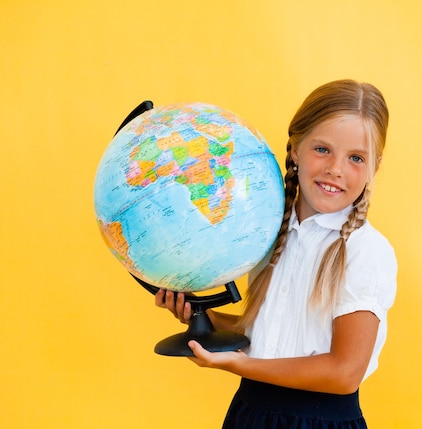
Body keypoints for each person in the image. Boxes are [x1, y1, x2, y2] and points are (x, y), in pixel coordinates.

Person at [155, 79, 397, 428]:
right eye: (322, 149)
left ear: (375, 166)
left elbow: (344, 372)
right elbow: (267, 335)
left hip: (320, 422)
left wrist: (240, 365)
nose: (336, 169)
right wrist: (199, 317)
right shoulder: (267, 229)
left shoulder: (365, 252)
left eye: (356, 158)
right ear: (295, 148)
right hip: (251, 412)